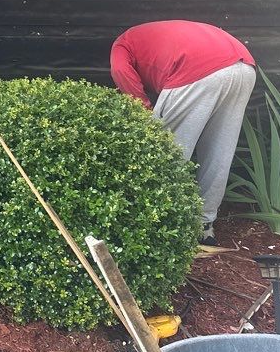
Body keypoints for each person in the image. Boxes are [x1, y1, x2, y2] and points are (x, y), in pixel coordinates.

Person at [109, 20, 257, 246]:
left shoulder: (121, 46)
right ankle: (204, 227)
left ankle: (156, 226)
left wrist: (144, 114)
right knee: (219, 152)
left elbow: (121, 73)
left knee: (164, 153)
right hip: (244, 66)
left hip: (196, 67)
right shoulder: (151, 36)